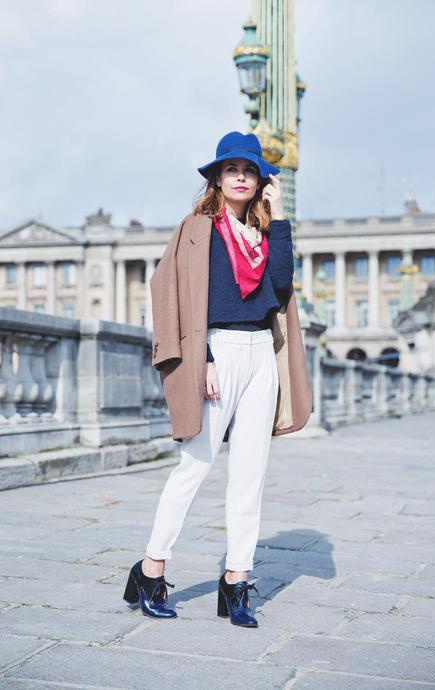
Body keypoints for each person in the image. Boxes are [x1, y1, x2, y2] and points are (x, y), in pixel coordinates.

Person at [123, 131, 296, 628]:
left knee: (250, 474)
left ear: (259, 180)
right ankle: (151, 569)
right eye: (231, 169)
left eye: (249, 170)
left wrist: (279, 214)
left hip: (261, 352)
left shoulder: (265, 234)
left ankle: (236, 581)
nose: (240, 176)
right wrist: (201, 358)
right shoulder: (198, 229)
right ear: (218, 179)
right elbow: (169, 291)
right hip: (216, 352)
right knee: (194, 465)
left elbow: (281, 287)